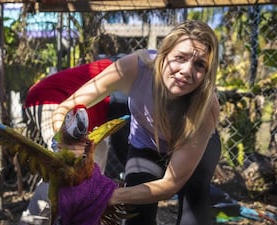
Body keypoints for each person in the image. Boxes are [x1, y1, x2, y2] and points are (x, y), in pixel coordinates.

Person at [52, 20, 221, 225]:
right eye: (180, 57)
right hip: (147, 142)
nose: (186, 70)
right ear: (163, 54)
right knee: (136, 215)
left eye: (200, 64)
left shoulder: (207, 106)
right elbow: (67, 107)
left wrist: (107, 197)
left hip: (196, 148)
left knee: (194, 212)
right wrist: (67, 142)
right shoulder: (135, 68)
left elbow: (170, 184)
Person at [20, 58, 130, 225]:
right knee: (63, 173)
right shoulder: (130, 73)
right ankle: (32, 222)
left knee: (91, 175)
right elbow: (125, 138)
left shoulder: (128, 69)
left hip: (85, 117)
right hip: (52, 100)